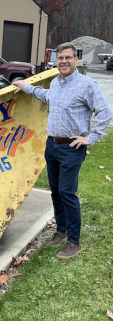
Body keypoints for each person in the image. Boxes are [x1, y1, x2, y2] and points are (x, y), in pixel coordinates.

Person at [13, 42, 112, 260]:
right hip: (52, 145)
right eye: (60, 58)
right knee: (56, 191)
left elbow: (105, 112)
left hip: (71, 147)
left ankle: (74, 243)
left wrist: (91, 138)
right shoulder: (56, 84)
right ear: (56, 61)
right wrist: (26, 86)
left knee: (67, 192)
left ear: (76, 60)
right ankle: (61, 230)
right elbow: (45, 96)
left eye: (68, 57)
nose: (64, 61)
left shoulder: (87, 85)